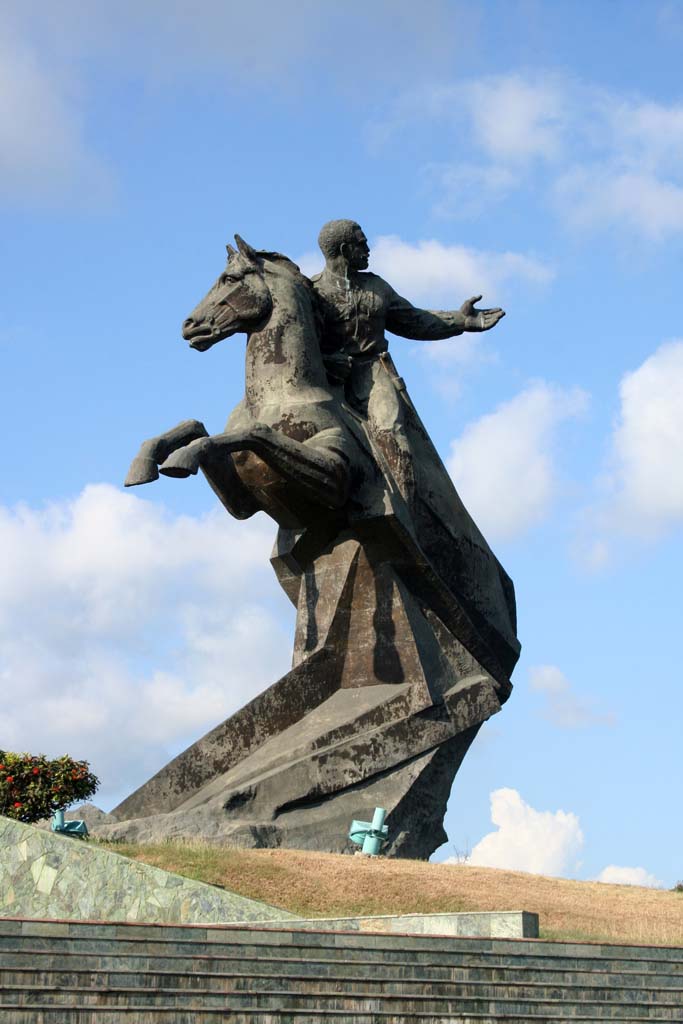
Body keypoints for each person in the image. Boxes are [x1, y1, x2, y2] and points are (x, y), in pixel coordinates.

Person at [310, 219, 505, 506]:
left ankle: (402, 512)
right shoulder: (312, 292)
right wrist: (325, 361)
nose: (368, 248)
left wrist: (462, 320)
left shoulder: (377, 287)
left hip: (371, 374)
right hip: (327, 379)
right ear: (344, 249)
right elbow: (298, 340)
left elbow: (413, 321)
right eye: (361, 243)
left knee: (391, 431)